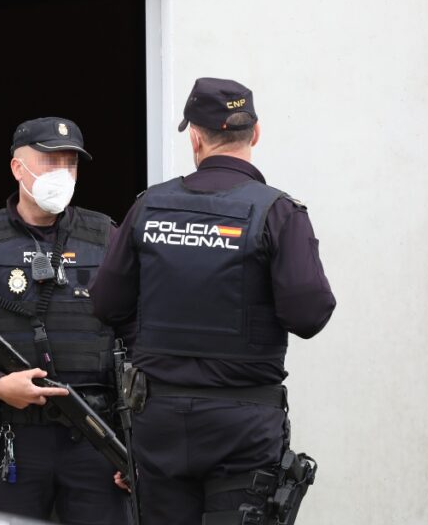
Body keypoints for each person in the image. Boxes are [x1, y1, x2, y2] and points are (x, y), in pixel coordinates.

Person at [91, 78, 336, 525]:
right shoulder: (278, 213)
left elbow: (107, 304)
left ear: (196, 137)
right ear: (255, 134)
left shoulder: (149, 207)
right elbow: (308, 314)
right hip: (242, 425)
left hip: (159, 420)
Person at [0, 116, 128, 524]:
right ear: (19, 169)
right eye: (51, 161)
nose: (63, 173)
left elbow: (137, 333)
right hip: (12, 437)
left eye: (70, 163)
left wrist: (135, 445)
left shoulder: (106, 235)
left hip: (93, 437)